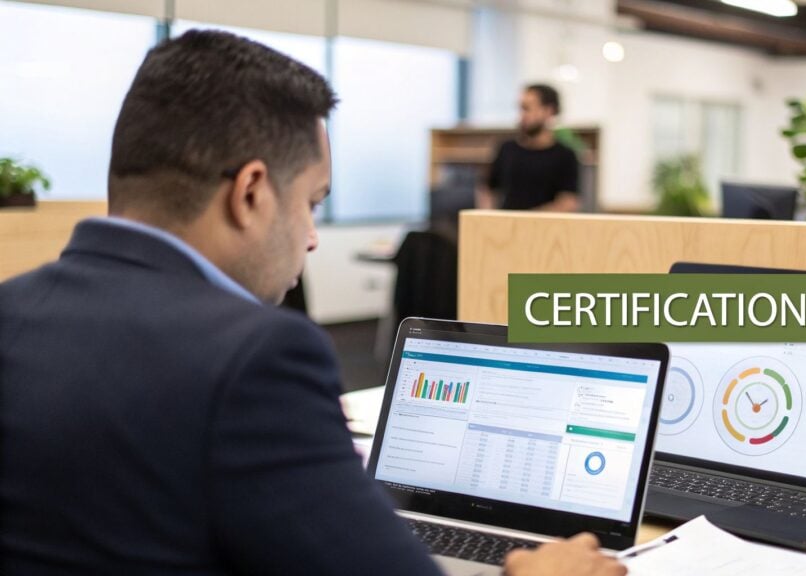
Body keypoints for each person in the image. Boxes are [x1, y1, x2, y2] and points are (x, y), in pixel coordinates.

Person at [0, 30, 624, 576]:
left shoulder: (11, 310)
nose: (313, 236)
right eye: (313, 201)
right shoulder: (255, 360)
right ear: (250, 193)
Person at [478, 84, 581, 212]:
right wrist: (488, 217)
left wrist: (526, 221)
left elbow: (568, 202)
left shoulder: (565, 155)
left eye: (527, 108)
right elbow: (488, 188)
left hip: (546, 228)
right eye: (520, 108)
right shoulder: (507, 149)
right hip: (505, 226)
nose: (522, 115)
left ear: (549, 111)